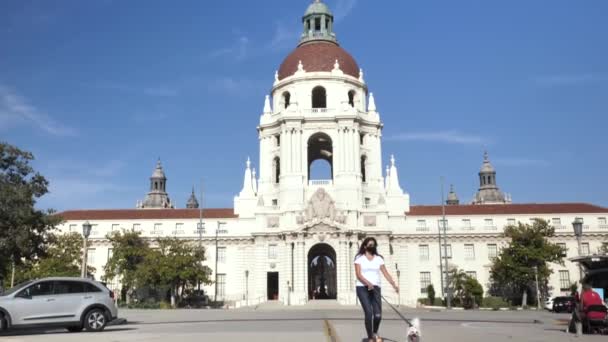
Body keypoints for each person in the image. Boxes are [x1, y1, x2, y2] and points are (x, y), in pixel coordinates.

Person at [354, 237, 399, 342]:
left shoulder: (379, 259)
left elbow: (385, 273)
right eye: (370, 244)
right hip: (362, 288)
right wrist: (367, 283)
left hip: (376, 288)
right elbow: (358, 274)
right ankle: (370, 338)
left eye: (373, 244)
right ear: (365, 246)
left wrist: (394, 284)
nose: (372, 246)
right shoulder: (359, 258)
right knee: (369, 313)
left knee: (378, 315)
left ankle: (374, 332)